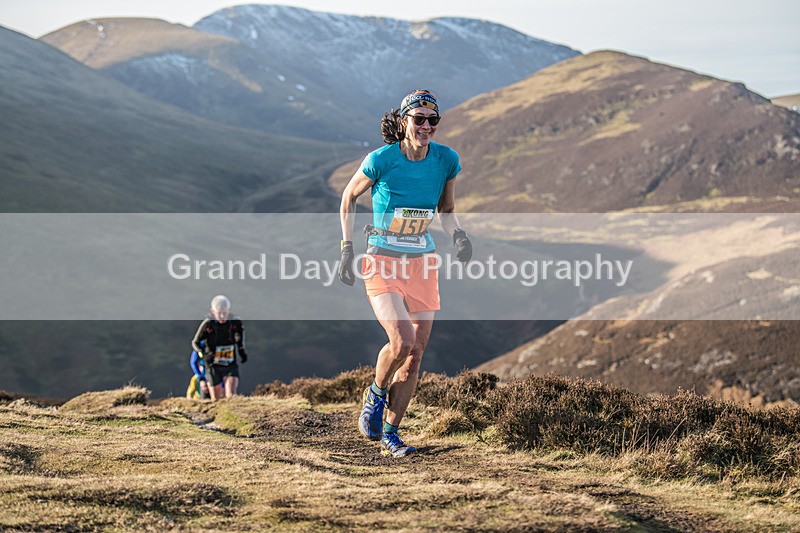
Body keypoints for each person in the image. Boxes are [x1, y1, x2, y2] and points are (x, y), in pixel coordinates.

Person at [338, 90, 472, 457]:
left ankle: (392, 435)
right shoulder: (381, 160)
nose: (427, 126)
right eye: (419, 119)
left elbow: (447, 209)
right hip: (381, 259)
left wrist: (458, 235)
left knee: (416, 353)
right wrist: (347, 247)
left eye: (433, 120)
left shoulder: (447, 159)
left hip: (422, 261)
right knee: (402, 340)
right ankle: (376, 393)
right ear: (403, 121)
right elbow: (349, 196)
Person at [191, 295, 248, 401]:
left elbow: (240, 337)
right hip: (213, 365)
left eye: (225, 313)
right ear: (213, 311)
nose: (222, 316)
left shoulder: (235, 323)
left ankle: (233, 415)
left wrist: (241, 351)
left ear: (229, 310)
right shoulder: (208, 325)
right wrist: (202, 354)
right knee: (216, 399)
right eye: (219, 313)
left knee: (231, 395)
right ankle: (218, 416)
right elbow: (195, 342)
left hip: (230, 363)